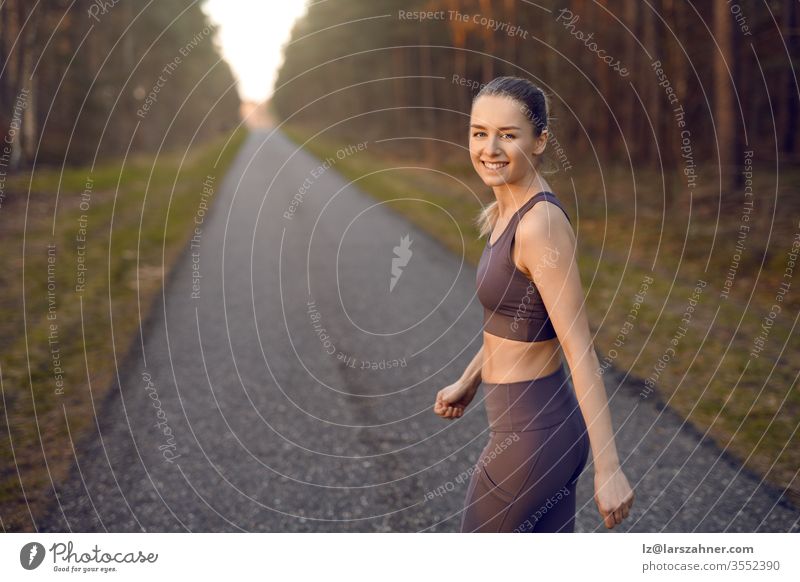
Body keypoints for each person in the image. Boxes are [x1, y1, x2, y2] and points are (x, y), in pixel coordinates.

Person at [433, 76, 634, 532]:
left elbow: (579, 347)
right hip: (535, 431)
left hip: (532, 438)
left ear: (541, 140)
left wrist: (609, 468)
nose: (490, 148)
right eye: (479, 133)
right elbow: (517, 322)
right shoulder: (507, 210)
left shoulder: (538, 225)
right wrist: (469, 379)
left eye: (508, 135)